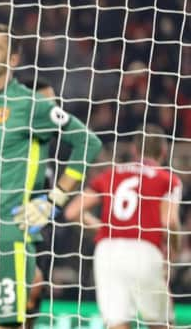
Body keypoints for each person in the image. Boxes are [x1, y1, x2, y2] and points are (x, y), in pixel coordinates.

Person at [0, 21, 102, 329]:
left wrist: (54, 200)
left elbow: (88, 142)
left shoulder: (29, 103)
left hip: (6, 238)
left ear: (13, 60)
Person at [64, 124, 182, 329]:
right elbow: (169, 222)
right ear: (164, 152)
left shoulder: (110, 174)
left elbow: (72, 212)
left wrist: (104, 228)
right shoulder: (168, 179)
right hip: (143, 249)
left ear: (134, 151)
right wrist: (174, 251)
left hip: (107, 251)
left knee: (117, 322)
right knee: (161, 323)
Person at [18, 76, 57, 329]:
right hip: (14, 243)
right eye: (47, 104)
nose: (54, 111)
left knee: (32, 308)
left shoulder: (45, 149)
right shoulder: (12, 147)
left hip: (40, 241)